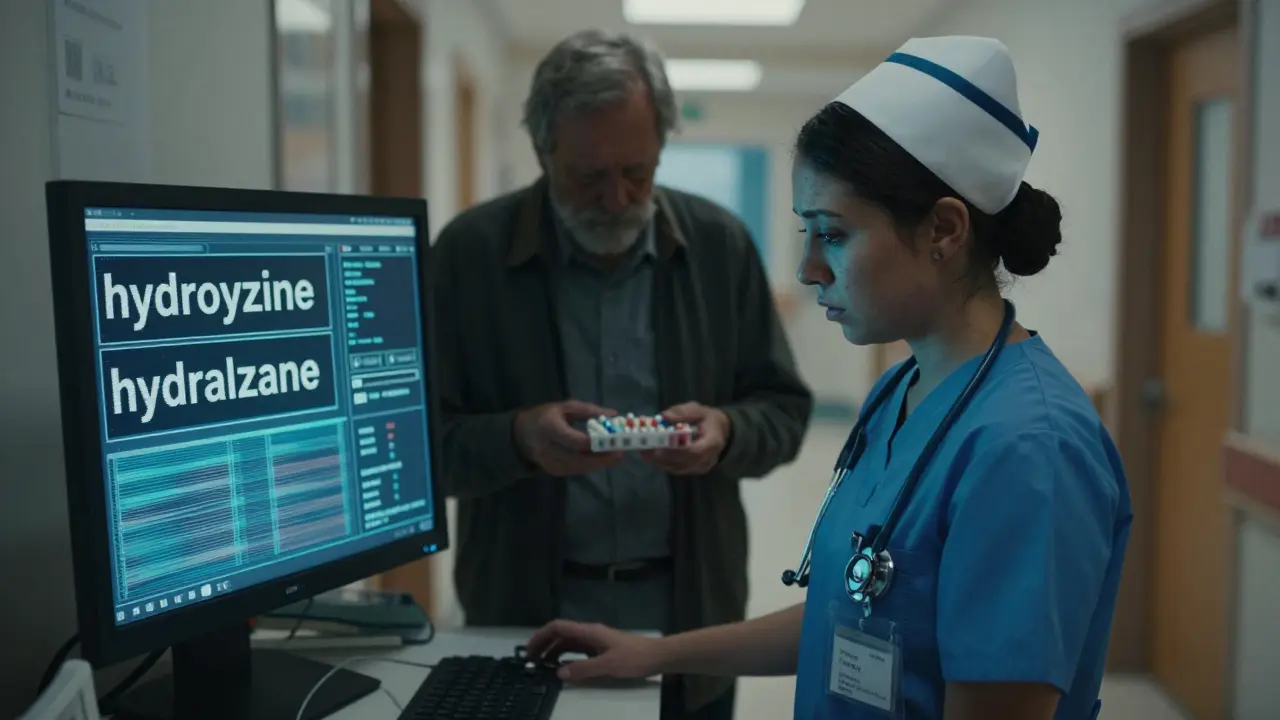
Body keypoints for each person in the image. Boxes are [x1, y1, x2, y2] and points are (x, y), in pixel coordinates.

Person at [524, 36, 1134, 720]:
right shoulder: (903, 392)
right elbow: (851, 614)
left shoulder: (1028, 449)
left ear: (944, 229)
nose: (809, 268)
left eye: (833, 234)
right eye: (805, 232)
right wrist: (654, 653)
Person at [429, 29, 814, 720]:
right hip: (523, 618)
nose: (616, 199)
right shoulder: (468, 256)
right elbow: (413, 449)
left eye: (637, 172)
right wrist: (518, 440)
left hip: (689, 622)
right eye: (588, 177)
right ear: (543, 151)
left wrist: (726, 431)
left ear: (664, 144)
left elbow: (785, 412)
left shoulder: (719, 247)